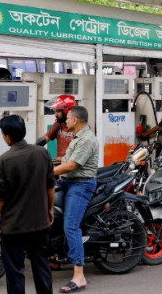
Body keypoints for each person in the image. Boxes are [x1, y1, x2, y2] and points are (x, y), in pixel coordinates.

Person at [0, 115, 54, 294]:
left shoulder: (4, 161)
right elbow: (50, 186)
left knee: (15, 272)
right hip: (39, 223)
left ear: (7, 137)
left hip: (14, 226)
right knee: (42, 267)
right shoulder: (42, 153)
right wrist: (49, 209)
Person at [53, 106, 98, 294]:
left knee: (71, 225)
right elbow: (65, 160)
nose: (66, 120)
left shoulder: (87, 139)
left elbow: (72, 165)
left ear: (76, 120)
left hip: (80, 185)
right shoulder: (77, 137)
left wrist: (45, 172)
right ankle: (53, 255)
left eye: (68, 118)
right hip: (68, 181)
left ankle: (79, 275)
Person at [36, 95, 76, 161]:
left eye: (58, 111)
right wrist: (31, 148)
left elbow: (80, 155)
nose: (55, 114)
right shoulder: (58, 124)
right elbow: (45, 138)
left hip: (72, 165)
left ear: (67, 111)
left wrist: (64, 159)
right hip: (60, 164)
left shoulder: (79, 128)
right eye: (55, 111)